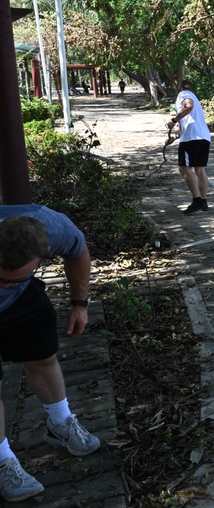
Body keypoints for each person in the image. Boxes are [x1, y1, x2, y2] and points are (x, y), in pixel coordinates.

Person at [0, 209, 101, 502]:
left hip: (23, 302)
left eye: (12, 279)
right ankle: (3, 460)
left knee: (44, 355)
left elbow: (78, 250)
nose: (3, 285)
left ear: (45, 252)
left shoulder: (54, 229)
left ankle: (60, 423)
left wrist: (80, 304)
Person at [165, 79, 212, 214]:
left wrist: (174, 120)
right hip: (203, 137)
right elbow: (187, 123)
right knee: (200, 170)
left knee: (184, 168)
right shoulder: (197, 101)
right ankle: (203, 202)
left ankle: (196, 200)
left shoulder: (184, 95)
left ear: (179, 88)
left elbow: (188, 106)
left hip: (191, 139)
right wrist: (174, 138)